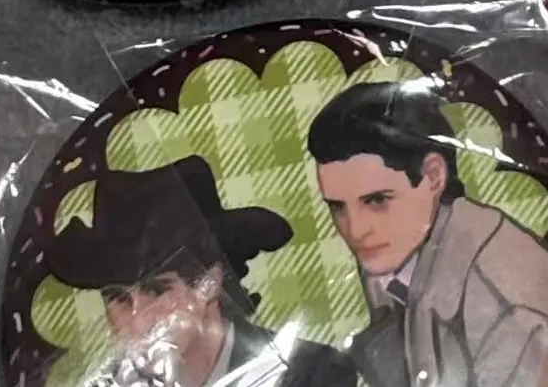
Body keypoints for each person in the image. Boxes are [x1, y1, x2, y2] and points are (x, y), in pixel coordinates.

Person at [307, 82, 548, 387]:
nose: (355, 230)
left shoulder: (506, 310)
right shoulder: (399, 247)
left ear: (433, 176)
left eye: (377, 200)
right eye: (337, 206)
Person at [46, 157, 354, 387]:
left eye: (157, 290)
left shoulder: (314, 375)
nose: (138, 319)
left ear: (209, 281)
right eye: (119, 299)